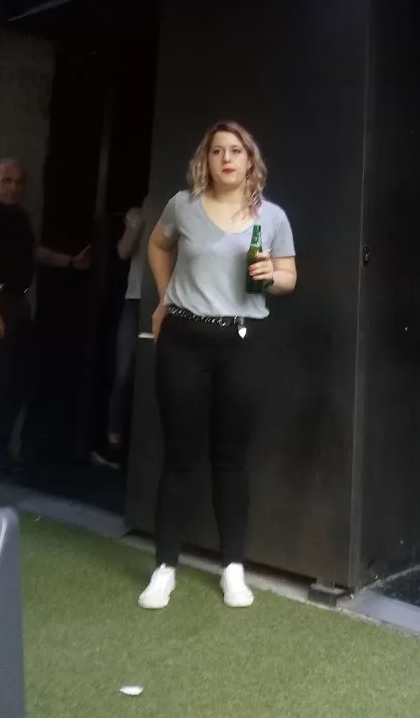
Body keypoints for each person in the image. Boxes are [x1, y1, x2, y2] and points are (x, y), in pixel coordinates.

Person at [138, 121, 296, 611]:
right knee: (179, 457)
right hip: (183, 339)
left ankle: (233, 569)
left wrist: (271, 274)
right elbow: (157, 246)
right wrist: (165, 298)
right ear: (205, 160)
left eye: (236, 151)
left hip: (242, 344)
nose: (227, 158)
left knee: (231, 459)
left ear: (250, 161)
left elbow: (290, 277)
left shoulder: (271, 217)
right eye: (217, 151)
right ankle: (164, 568)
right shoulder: (182, 205)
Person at [0, 159, 91, 480]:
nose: (14, 187)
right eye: (7, 180)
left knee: (14, 384)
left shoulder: (18, 218)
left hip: (17, 303)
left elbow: (33, 252)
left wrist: (69, 262)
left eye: (19, 182)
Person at [91, 198, 149, 471]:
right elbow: (123, 252)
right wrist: (136, 224)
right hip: (135, 299)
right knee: (124, 371)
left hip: (169, 300)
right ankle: (114, 444)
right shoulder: (138, 214)